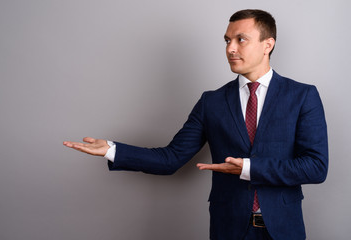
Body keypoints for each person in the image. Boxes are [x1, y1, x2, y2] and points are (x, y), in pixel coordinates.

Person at [63, 9, 328, 240]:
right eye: (227, 40)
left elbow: (316, 167)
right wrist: (112, 149)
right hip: (229, 229)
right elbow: (171, 158)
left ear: (267, 44)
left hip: (283, 229)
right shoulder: (211, 102)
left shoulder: (302, 96)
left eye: (241, 40)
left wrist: (248, 168)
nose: (230, 48)